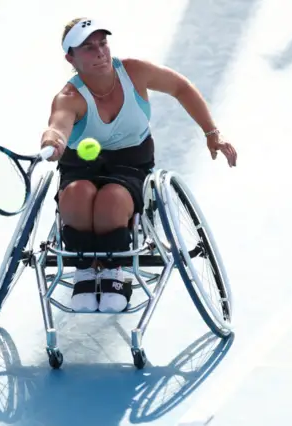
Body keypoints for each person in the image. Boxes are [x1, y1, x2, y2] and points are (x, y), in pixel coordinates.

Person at [40, 17, 237, 313]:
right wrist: (53, 143)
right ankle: (83, 269)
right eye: (88, 48)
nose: (100, 52)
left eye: (102, 43)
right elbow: (57, 126)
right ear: (71, 58)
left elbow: (181, 87)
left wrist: (213, 133)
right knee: (77, 195)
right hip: (81, 164)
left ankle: (111, 271)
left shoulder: (134, 72)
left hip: (130, 162)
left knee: (112, 200)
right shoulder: (69, 98)